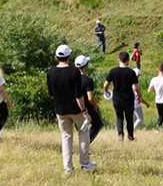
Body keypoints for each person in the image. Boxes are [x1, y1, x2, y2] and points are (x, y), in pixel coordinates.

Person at [46, 45, 94, 173]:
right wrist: (84, 111)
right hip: (76, 110)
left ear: (57, 57)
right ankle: (85, 164)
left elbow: (51, 93)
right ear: (69, 57)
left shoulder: (50, 72)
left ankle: (68, 168)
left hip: (60, 110)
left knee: (66, 136)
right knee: (83, 134)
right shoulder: (74, 71)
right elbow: (78, 95)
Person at [104, 52, 141, 142]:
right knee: (129, 118)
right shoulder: (131, 72)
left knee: (119, 117)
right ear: (128, 60)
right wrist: (139, 95)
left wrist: (106, 91)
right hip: (128, 98)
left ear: (118, 59)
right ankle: (130, 136)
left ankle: (120, 135)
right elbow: (136, 87)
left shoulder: (113, 71)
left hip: (117, 98)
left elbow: (106, 84)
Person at [75, 55, 104, 143]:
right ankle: (86, 143)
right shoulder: (88, 80)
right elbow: (90, 98)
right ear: (86, 66)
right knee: (98, 124)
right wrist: (96, 106)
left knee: (81, 128)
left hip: (75, 107)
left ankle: (83, 143)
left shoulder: (72, 79)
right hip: (87, 108)